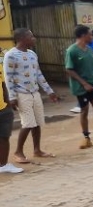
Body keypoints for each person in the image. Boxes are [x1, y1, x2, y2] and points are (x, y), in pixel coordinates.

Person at [4, 28, 59, 164]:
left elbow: (38, 74)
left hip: (35, 93)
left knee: (37, 123)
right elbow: (8, 78)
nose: (34, 39)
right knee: (28, 123)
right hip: (21, 94)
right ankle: (18, 152)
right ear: (22, 39)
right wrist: (12, 97)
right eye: (31, 36)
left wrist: (49, 91)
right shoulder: (11, 55)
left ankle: (37, 150)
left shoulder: (33, 54)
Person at [0, 80, 22, 174]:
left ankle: (3, 165)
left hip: (3, 108)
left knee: (4, 137)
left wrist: (7, 104)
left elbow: (3, 84)